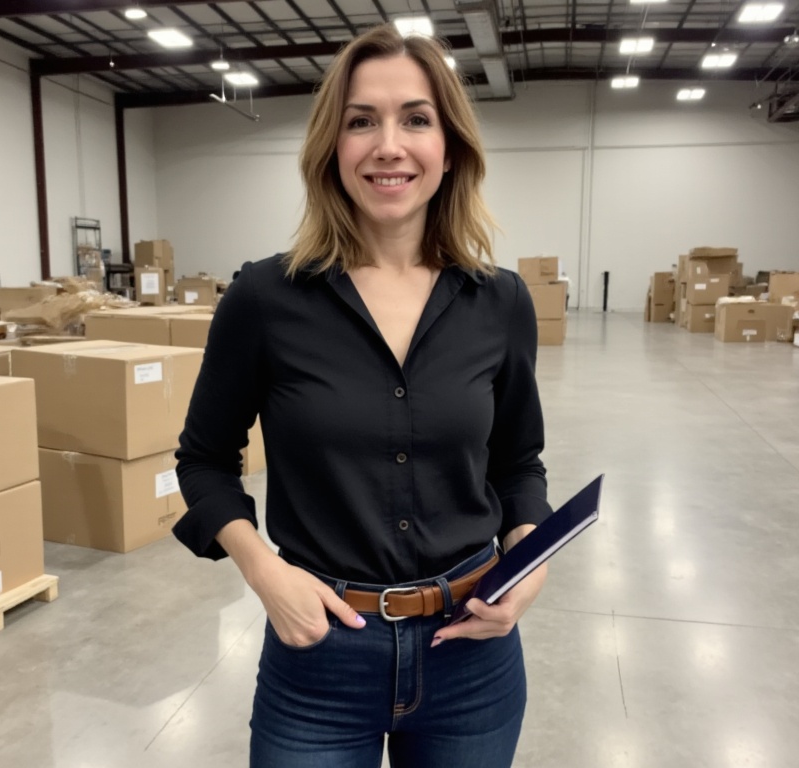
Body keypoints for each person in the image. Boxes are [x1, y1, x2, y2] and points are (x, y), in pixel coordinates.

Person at [173, 22, 554, 768]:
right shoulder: (264, 298)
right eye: (361, 122)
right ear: (331, 148)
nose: (388, 145)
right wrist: (264, 573)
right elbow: (203, 460)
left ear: (450, 148)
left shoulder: (501, 301)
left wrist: (529, 560)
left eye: (416, 119)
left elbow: (518, 464)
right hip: (319, 656)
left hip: (471, 656)